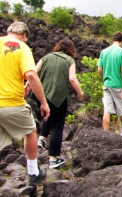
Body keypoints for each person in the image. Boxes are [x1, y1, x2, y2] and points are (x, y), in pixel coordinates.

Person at [0, 22, 50, 186]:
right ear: (24, 35)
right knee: (30, 131)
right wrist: (43, 102)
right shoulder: (22, 47)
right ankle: (33, 172)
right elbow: (31, 75)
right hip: (10, 102)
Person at [27, 38, 84, 169]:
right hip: (59, 96)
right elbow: (72, 79)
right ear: (71, 50)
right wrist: (80, 93)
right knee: (57, 127)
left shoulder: (46, 57)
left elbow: (33, 72)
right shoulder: (69, 60)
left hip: (43, 95)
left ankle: (41, 138)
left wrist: (27, 85)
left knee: (48, 115)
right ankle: (53, 158)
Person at [98, 31, 122, 137]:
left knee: (107, 110)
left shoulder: (104, 52)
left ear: (113, 40)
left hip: (107, 84)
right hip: (118, 85)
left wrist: (104, 79)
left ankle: (106, 134)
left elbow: (99, 70)